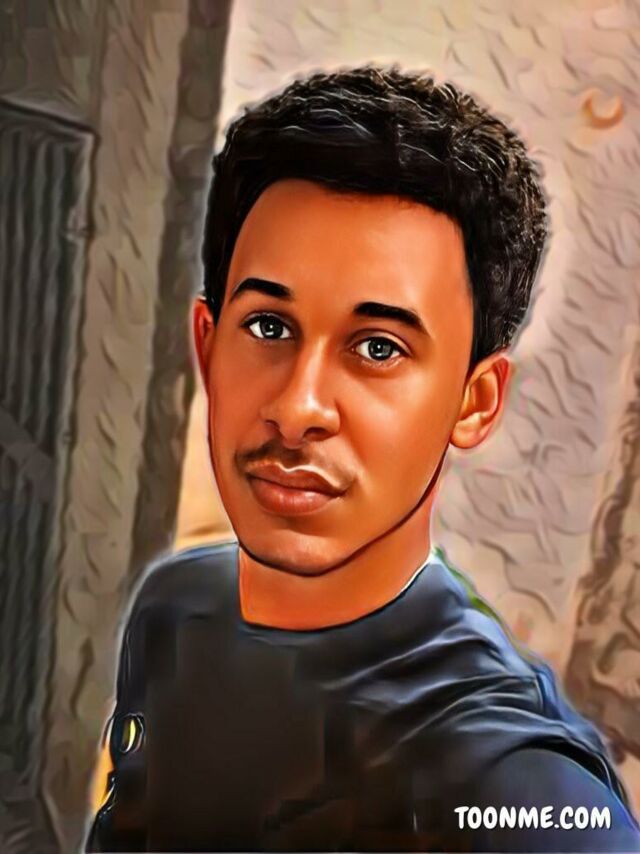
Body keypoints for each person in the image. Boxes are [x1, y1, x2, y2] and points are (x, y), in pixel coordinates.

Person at [85, 66, 640, 852]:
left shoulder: (514, 785)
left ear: (474, 401)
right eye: (269, 327)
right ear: (207, 348)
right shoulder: (173, 609)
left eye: (378, 347)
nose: (298, 407)